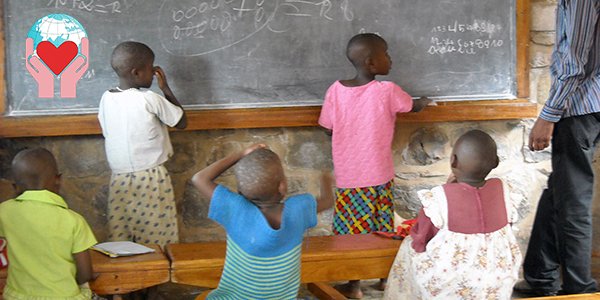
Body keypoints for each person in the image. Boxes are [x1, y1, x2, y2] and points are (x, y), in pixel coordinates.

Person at [318, 32, 431, 298]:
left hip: (350, 178)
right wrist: (423, 102)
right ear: (371, 63)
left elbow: (327, 128)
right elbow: (411, 106)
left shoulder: (335, 90)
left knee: (352, 232)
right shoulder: (387, 91)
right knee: (383, 228)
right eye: (386, 54)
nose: (390, 59)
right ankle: (384, 278)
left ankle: (354, 284)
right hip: (379, 175)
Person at [516, 0, 600, 296]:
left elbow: (574, 59)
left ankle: (580, 289)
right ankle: (540, 275)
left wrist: (548, 115)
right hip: (592, 102)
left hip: (582, 105)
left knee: (573, 199)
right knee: (562, 188)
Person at [383, 130, 522, 300]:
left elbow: (421, 239)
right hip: (497, 281)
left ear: (453, 161)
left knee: (408, 246)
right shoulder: (504, 190)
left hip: (451, 287)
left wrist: (447, 190)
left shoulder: (438, 198)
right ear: (496, 162)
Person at [191, 144, 334, 299]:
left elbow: (199, 178)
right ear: (282, 186)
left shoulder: (235, 208)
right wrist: (325, 180)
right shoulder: (299, 209)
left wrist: (240, 153)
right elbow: (327, 201)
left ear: (240, 192)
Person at [98, 41, 187, 247]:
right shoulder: (149, 98)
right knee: (157, 238)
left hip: (119, 179)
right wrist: (165, 88)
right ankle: (156, 275)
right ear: (137, 73)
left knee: (123, 237)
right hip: (151, 178)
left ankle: (131, 275)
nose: (154, 72)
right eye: (151, 68)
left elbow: (106, 131)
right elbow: (181, 121)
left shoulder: (106, 98)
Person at [0, 148, 97, 299]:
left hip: (17, 296)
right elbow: (85, 273)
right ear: (58, 180)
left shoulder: (4, 212)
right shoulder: (74, 220)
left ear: (15, 186)